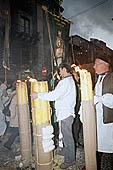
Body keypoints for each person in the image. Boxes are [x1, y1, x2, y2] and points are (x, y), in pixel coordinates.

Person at [31, 63, 77, 169]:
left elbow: (54, 96)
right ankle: (66, 152)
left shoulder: (66, 82)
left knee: (67, 137)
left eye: (60, 70)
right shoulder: (69, 81)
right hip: (65, 112)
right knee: (65, 136)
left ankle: (70, 160)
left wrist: (38, 95)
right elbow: (57, 94)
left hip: (66, 113)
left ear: (64, 69)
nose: (59, 73)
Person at [93, 56, 113, 170]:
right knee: (97, 143)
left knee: (110, 144)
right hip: (98, 118)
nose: (94, 66)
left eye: (96, 64)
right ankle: (96, 165)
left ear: (103, 65)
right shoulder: (98, 79)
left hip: (108, 119)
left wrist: (99, 99)